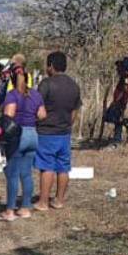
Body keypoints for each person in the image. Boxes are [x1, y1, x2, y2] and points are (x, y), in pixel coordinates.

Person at [0, 64, 46, 222]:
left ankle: (10, 210)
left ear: (12, 79)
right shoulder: (36, 94)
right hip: (33, 135)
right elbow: (42, 115)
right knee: (26, 174)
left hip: (18, 135)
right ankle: (25, 208)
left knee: (12, 174)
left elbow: (9, 114)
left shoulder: (12, 95)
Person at [35, 51, 81, 211]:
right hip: (65, 132)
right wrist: (68, 124)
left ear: (51, 66)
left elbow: (37, 107)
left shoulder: (46, 84)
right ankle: (59, 200)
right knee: (63, 167)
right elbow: (75, 110)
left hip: (47, 132)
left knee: (47, 166)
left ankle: (43, 202)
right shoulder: (74, 85)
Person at [104, 57, 128, 144]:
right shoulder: (123, 78)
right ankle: (119, 138)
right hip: (121, 103)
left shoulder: (126, 79)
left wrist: (117, 102)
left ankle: (119, 139)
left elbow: (126, 92)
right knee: (119, 121)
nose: (117, 69)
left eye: (119, 68)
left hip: (123, 104)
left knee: (121, 120)